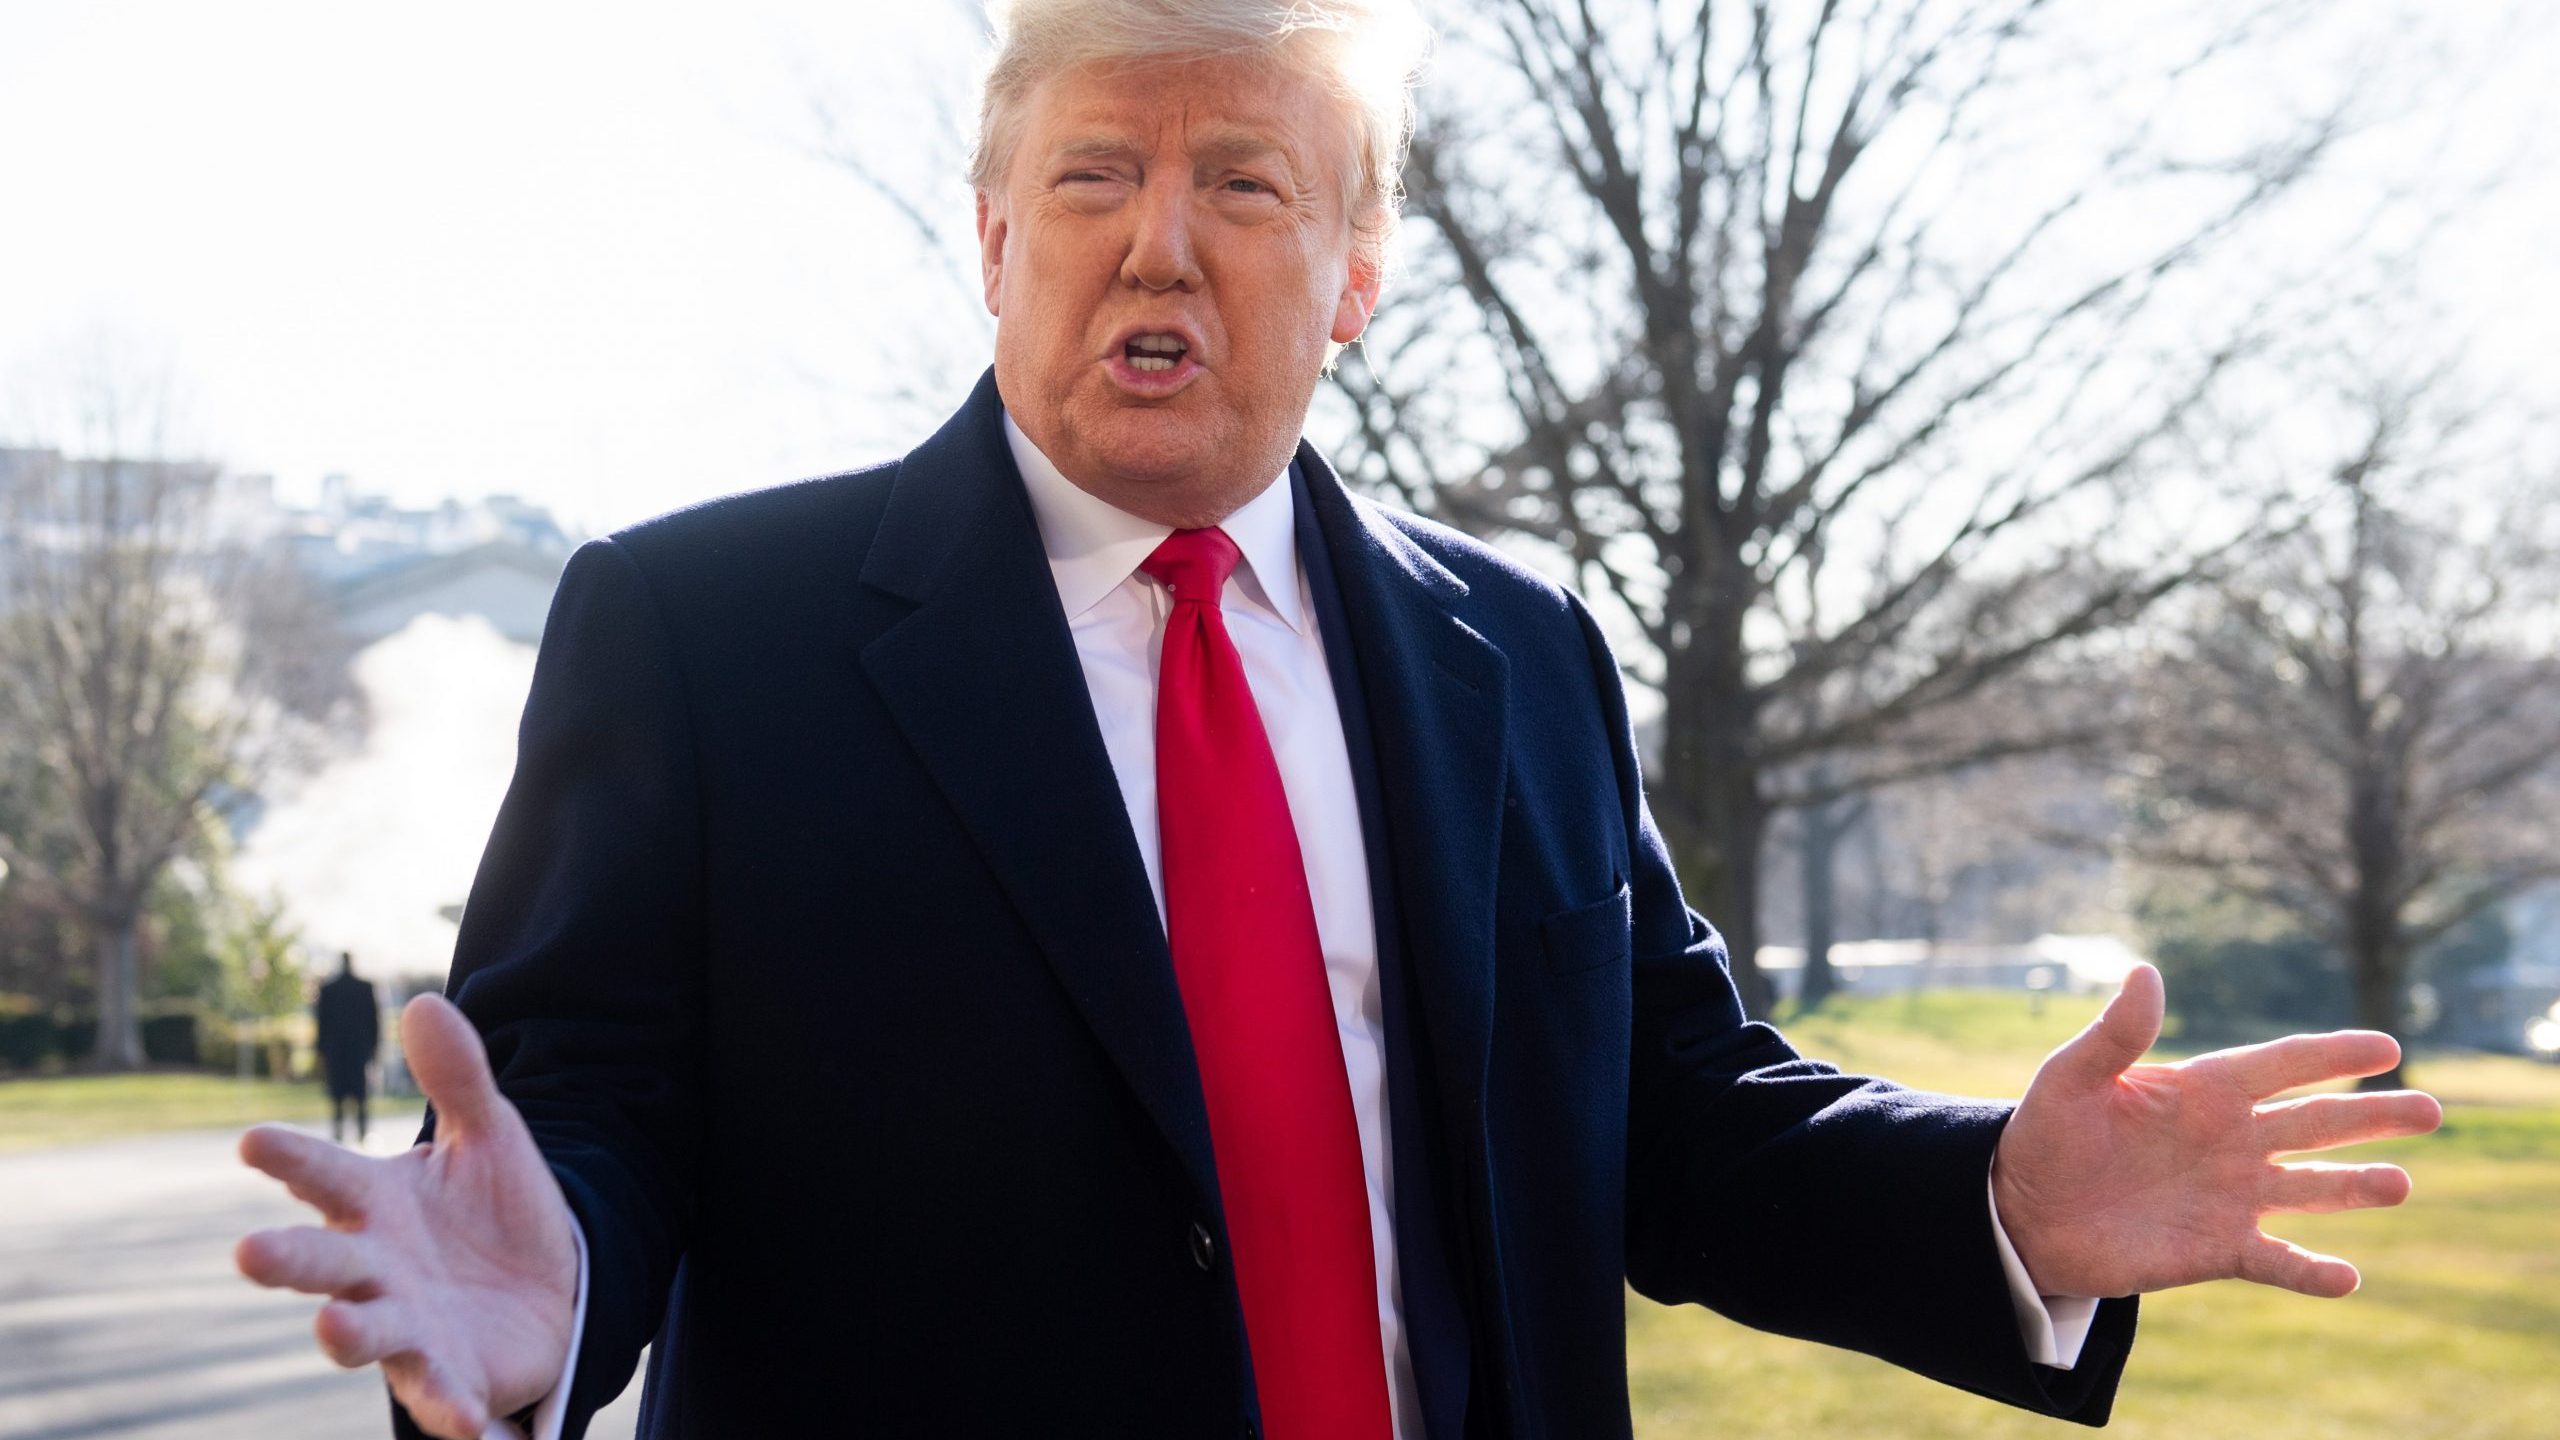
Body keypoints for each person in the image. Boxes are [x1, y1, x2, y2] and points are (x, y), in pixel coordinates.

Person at [232, 3, 2445, 1437]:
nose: (1157, 246)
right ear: (992, 236)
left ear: (1357, 274)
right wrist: (542, 1301)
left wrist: (1999, 1201)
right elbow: (587, 1113)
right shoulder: (701, 632)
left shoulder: (1518, 653)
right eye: (1092, 176)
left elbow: (1672, 1120)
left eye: (1245, 183)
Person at [312, 950, 380, 1147]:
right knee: (360, 1094)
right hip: (359, 1049)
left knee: (338, 1093)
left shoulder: (328, 989)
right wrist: (374, 1047)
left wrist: (321, 1051)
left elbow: (322, 1024)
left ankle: (338, 1132)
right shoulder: (365, 988)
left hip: (336, 1050)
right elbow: (373, 1021)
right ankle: (362, 1132)